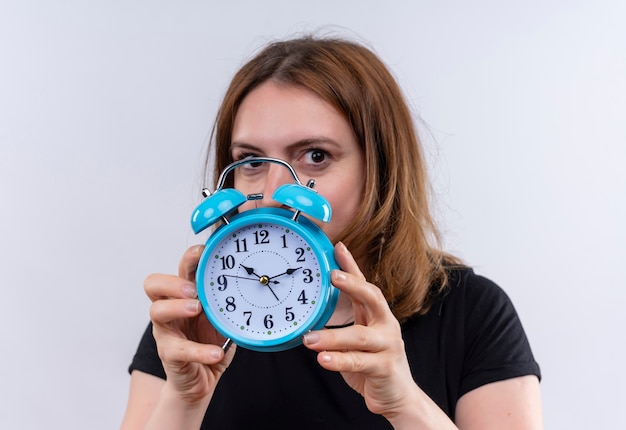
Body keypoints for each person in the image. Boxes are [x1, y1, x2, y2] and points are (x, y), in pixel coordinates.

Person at [120, 35, 543, 429]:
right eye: (250, 160)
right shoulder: (197, 318)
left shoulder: (471, 313)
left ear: (379, 169)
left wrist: (404, 404)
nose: (271, 195)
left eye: (315, 156)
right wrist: (184, 398)